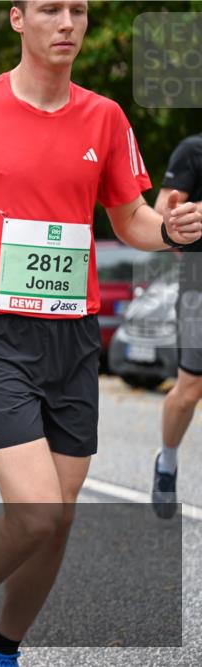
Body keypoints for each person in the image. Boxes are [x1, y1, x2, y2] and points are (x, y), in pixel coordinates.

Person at [0, 2, 202, 666]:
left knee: (58, 522)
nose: (67, 23)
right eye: (50, 9)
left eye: (79, 11)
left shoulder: (106, 118)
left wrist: (170, 233)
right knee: (34, 512)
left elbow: (131, 220)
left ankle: (4, 649)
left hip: (72, 334)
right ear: (17, 19)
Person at [153, 133, 202, 519]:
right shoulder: (192, 150)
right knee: (189, 392)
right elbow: (160, 218)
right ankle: (167, 460)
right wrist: (177, 220)